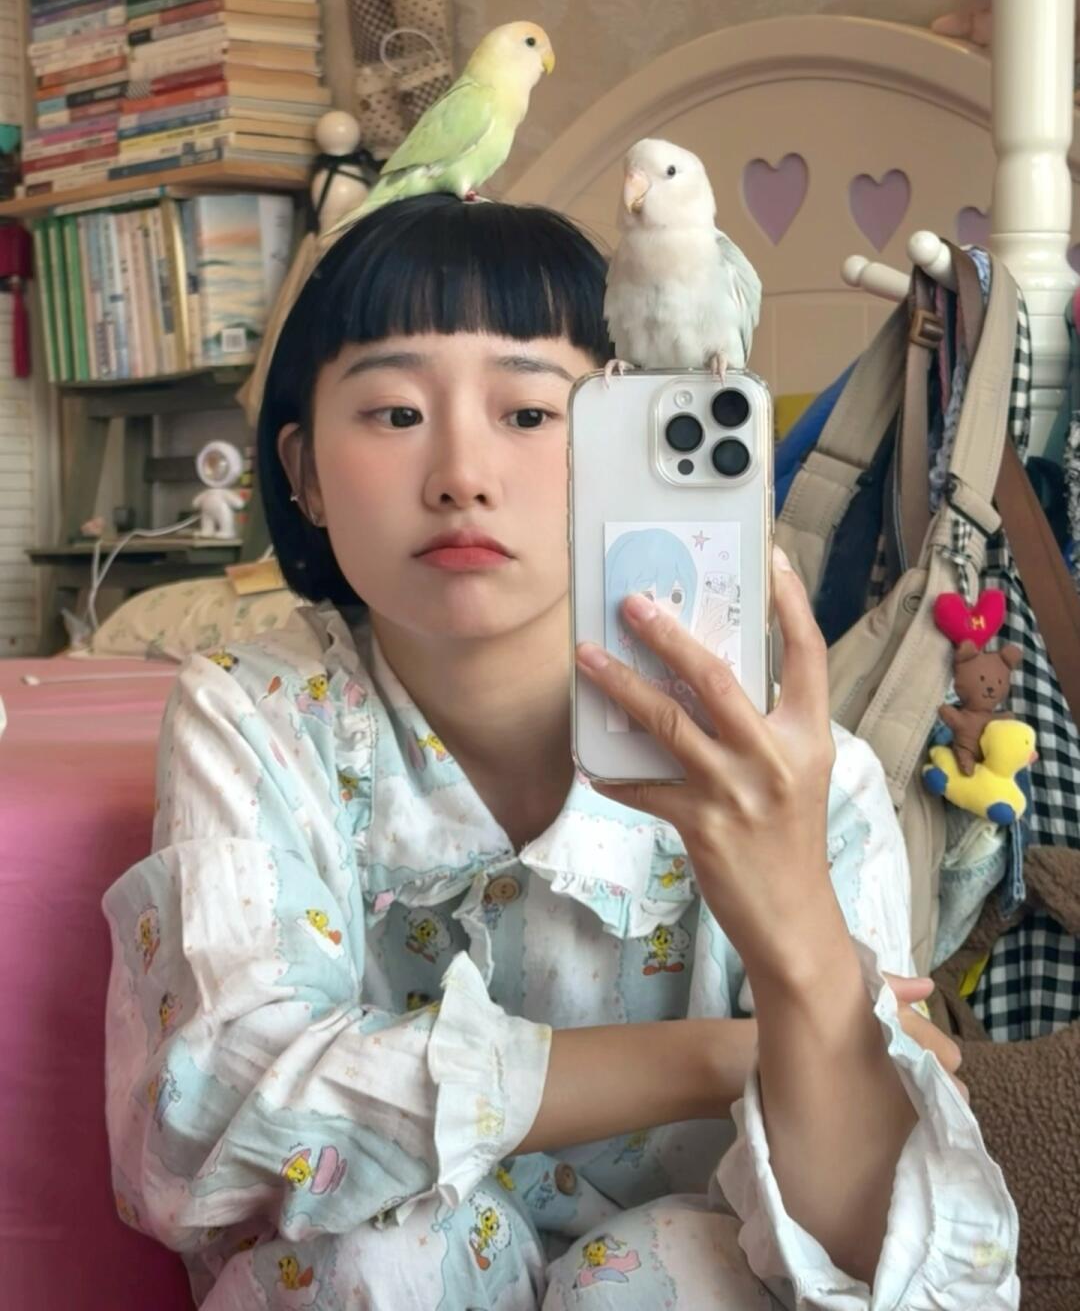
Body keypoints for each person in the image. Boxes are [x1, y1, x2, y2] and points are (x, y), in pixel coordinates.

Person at [102, 194, 1018, 1309]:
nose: (461, 474)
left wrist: (806, 954)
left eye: (532, 412)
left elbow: (908, 1282)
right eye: (395, 412)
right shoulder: (258, 714)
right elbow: (210, 1119)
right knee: (373, 1250)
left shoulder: (803, 776)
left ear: (622, 445)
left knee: (673, 1266)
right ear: (303, 473)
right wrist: (730, 1056)